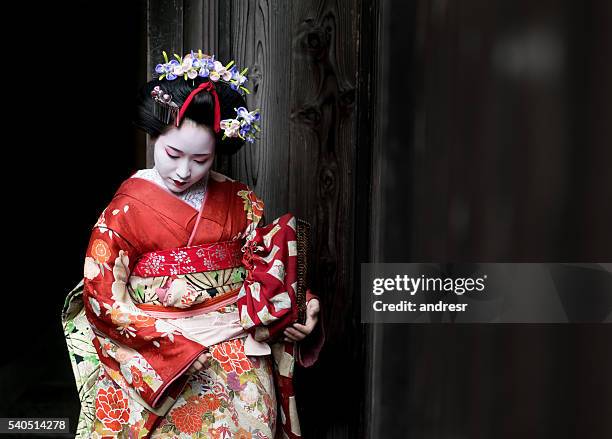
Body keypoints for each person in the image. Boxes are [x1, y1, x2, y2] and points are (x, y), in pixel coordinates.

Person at [62, 50, 324, 439]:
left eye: (201, 159)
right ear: (153, 135)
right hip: (163, 361)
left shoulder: (240, 200)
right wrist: (172, 344)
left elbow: (268, 272)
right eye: (172, 154)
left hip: (238, 362)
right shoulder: (126, 210)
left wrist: (300, 307)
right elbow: (102, 296)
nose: (184, 171)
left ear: (218, 150)